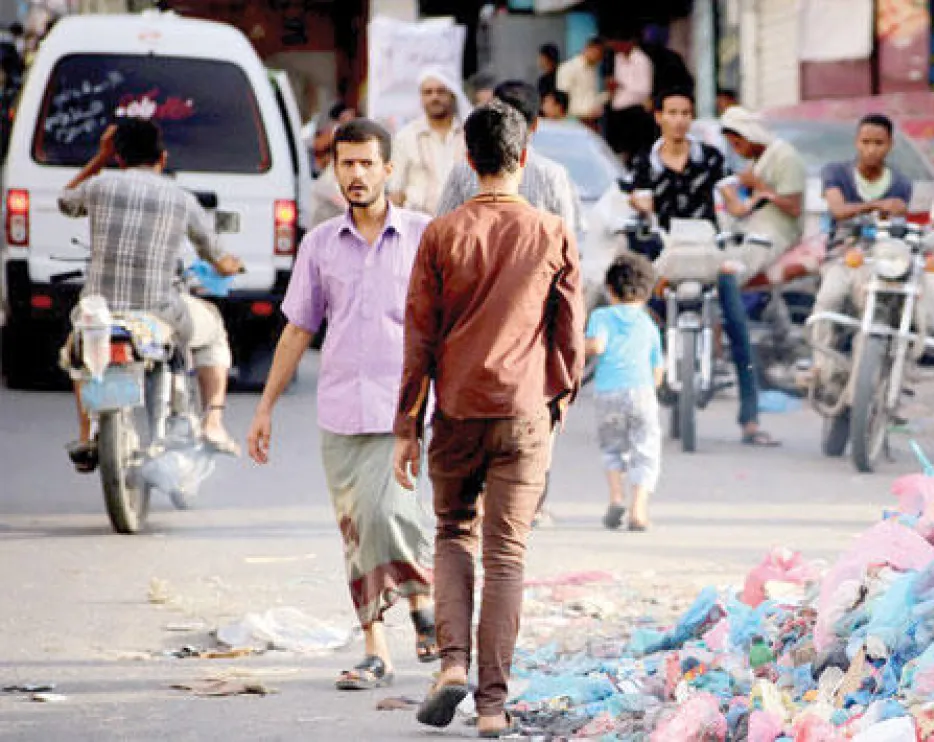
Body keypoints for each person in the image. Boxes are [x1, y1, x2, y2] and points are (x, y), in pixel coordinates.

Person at [398, 101, 584, 737]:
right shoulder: (553, 231)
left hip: (455, 410)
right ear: (524, 157)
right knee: (506, 556)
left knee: (453, 532)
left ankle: (451, 664)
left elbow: (418, 338)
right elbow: (570, 336)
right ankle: (492, 708)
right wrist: (559, 402)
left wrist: (404, 426)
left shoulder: (441, 234)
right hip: (525, 409)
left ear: (467, 159)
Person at [246, 118, 438, 690]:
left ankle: (424, 601)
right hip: (340, 410)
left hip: (404, 409)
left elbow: (446, 323)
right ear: (335, 172)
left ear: (387, 170)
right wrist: (265, 407)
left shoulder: (425, 236)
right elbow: (297, 329)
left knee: (392, 514)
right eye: (345, 164)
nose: (355, 174)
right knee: (356, 532)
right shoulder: (319, 244)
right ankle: (376, 650)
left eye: (365, 163)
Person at [59, 118, 244, 470]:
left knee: (79, 356)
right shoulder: (181, 199)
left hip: (99, 311)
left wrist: (99, 158)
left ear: (118, 156)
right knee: (215, 330)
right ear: (162, 157)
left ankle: (87, 435)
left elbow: (65, 201)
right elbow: (217, 257)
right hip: (159, 311)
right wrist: (232, 265)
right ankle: (213, 422)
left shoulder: (100, 186)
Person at [627, 88, 779, 447]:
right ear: (659, 117)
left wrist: (754, 204)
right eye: (672, 112)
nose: (679, 119)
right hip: (666, 255)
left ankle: (750, 421)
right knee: (641, 326)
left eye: (685, 113)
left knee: (737, 326)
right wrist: (638, 207)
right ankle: (637, 411)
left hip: (708, 251)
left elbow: (732, 203)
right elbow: (637, 200)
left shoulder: (710, 158)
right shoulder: (644, 162)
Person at [804, 114, 915, 397]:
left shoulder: (901, 183)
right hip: (843, 254)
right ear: (856, 142)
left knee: (881, 310)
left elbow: (898, 223)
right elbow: (838, 210)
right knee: (828, 299)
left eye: (878, 143)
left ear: (889, 145)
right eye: (865, 142)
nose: (871, 149)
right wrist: (878, 205)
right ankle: (821, 367)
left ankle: (878, 381)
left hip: (879, 260)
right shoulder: (836, 173)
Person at [436, 81, 583, 260]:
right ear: (535, 124)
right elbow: (569, 247)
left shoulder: (463, 170)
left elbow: (440, 236)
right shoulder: (554, 176)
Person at [587, 254, 664, 532]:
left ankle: (616, 496)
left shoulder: (601, 316)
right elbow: (658, 369)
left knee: (612, 447)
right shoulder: (649, 324)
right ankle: (638, 510)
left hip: (608, 392)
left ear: (610, 289)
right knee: (646, 450)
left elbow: (596, 346)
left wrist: (576, 349)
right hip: (641, 391)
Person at [717, 105, 807, 276]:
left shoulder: (784, 156)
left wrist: (760, 187)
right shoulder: (756, 162)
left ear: (748, 136)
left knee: (737, 271)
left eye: (737, 144)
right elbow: (742, 209)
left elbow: (794, 208)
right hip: (752, 229)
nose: (737, 151)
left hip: (778, 233)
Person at [389, 68, 472, 215]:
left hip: (463, 222)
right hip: (419, 225)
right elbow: (396, 191)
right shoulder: (406, 137)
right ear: (421, 97)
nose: (435, 97)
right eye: (428, 92)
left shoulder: (470, 135)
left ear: (452, 95)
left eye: (441, 91)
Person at [605, 31, 655, 163]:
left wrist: (622, 85)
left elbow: (645, 89)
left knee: (633, 148)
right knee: (618, 149)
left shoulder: (642, 60)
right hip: (618, 109)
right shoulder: (618, 58)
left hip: (634, 110)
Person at [555, 37, 607, 126]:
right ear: (589, 48)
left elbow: (590, 97)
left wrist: (608, 94)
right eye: (599, 53)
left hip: (592, 121)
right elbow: (562, 98)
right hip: (573, 120)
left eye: (602, 55)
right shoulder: (568, 68)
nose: (600, 58)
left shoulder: (593, 70)